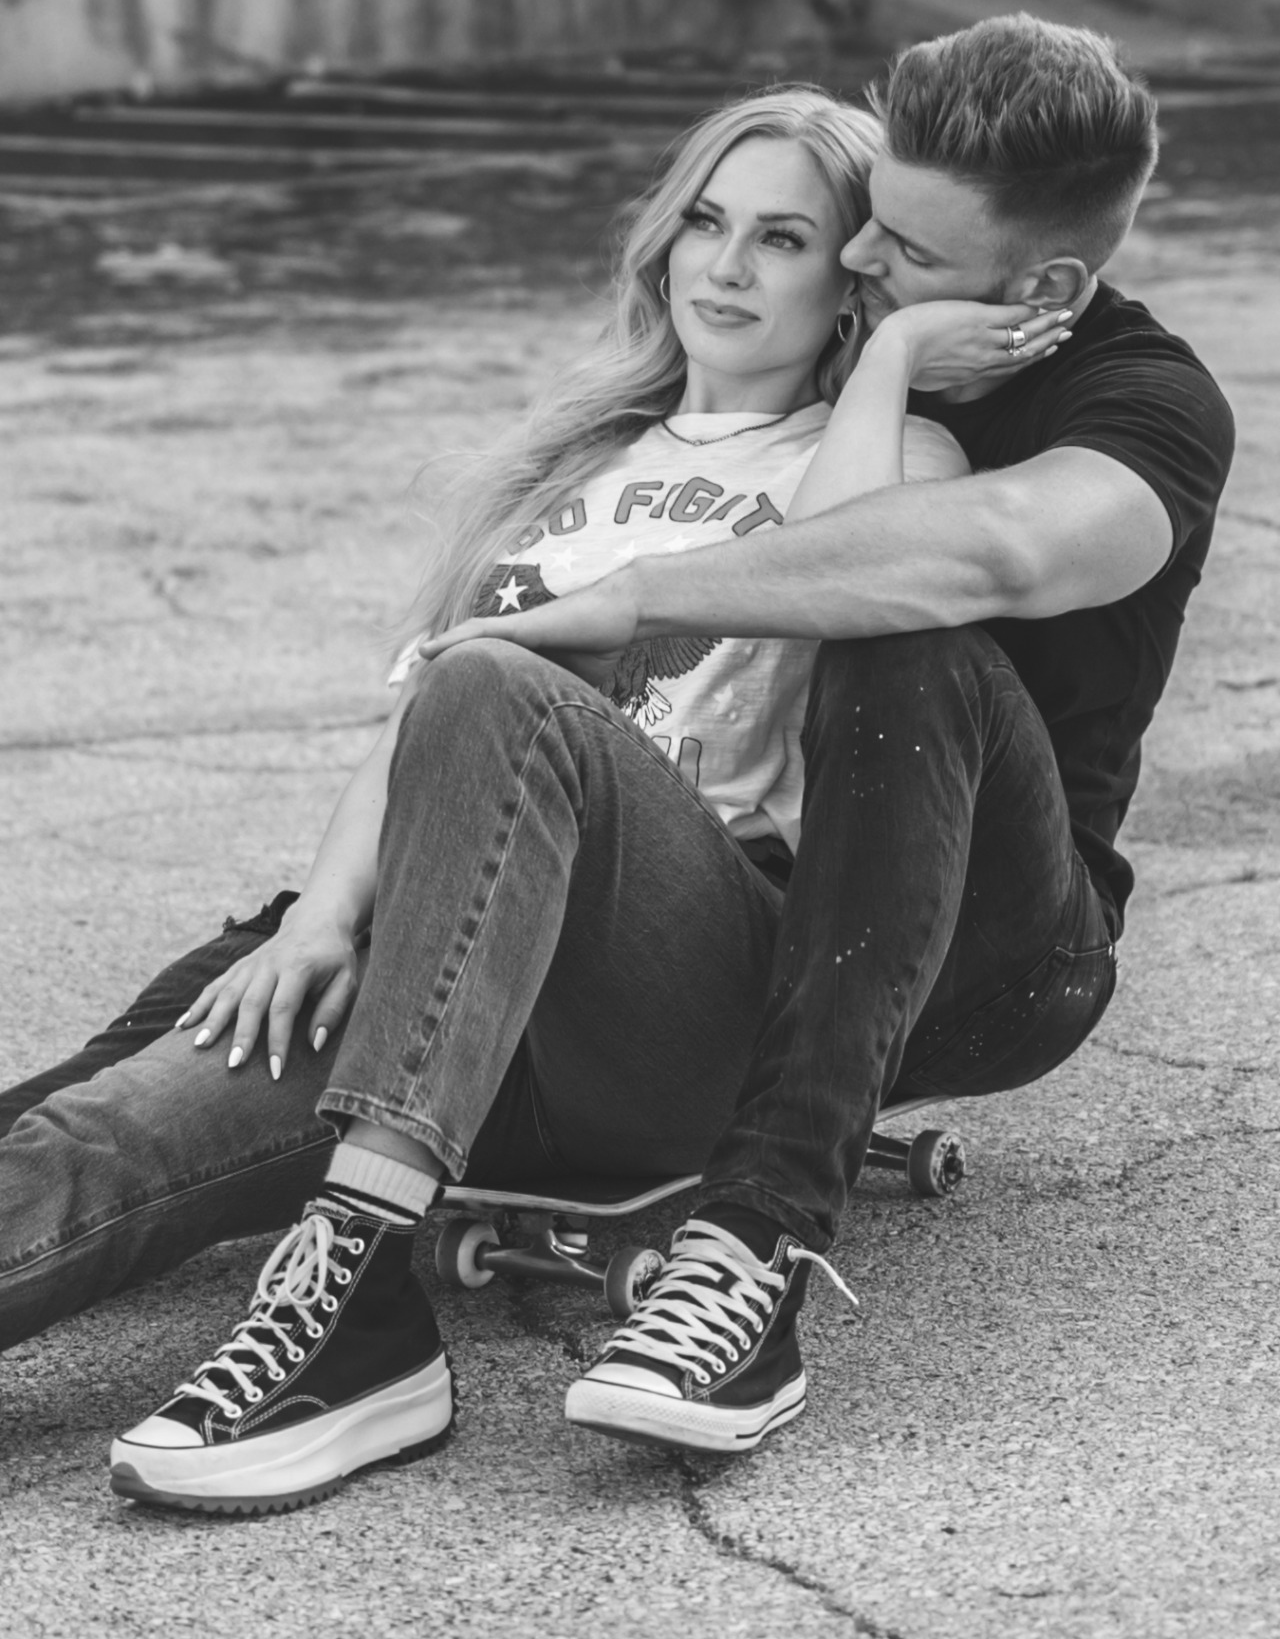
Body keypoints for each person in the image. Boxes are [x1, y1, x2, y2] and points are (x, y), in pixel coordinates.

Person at [0, 86, 1063, 1512]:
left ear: (851, 273)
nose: (725, 265)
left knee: (503, 683)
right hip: (449, 967)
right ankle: (347, 1268)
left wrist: (893, 363)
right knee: (97, 1134)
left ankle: (359, 1309)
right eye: (705, 221)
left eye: (784, 238)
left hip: (672, 980)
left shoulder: (894, 460)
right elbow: (421, 721)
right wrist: (321, 920)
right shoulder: (572, 472)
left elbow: (829, 584)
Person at [409, 15, 1235, 1457]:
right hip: (756, 908)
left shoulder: (1146, 405)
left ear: (1042, 287)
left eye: (902, 251)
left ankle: (752, 1252)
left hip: (1001, 954)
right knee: (218, 1041)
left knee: (908, 627)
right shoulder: (844, 358)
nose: (856, 258)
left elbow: (983, 551)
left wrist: (635, 598)